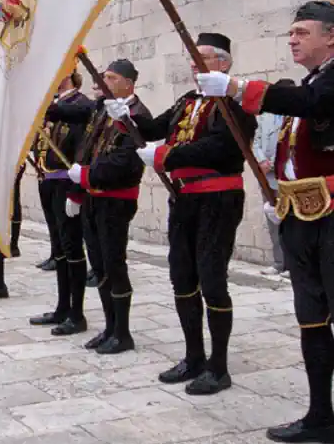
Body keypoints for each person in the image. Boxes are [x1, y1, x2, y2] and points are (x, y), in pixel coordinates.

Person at [197, 1, 334, 444]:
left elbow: (313, 104)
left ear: (333, 36)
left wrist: (239, 86)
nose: (292, 39)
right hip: (302, 215)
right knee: (311, 320)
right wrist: (281, 190)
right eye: (290, 32)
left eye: (302, 31)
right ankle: (320, 417)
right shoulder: (310, 82)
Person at [109, 33, 256, 395]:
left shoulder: (234, 104)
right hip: (184, 198)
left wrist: (166, 157)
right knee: (182, 276)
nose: (194, 64)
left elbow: (221, 148)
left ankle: (218, 367)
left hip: (217, 198)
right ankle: (193, 356)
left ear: (223, 64)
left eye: (201, 58)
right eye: (192, 59)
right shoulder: (187, 101)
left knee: (212, 278)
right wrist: (127, 117)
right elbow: (155, 129)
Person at [56, 59, 149, 355]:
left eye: (109, 78)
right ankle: (109, 327)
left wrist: (84, 176)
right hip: (93, 196)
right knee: (98, 266)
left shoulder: (137, 114)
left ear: (128, 84)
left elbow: (125, 162)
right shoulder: (100, 109)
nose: (101, 83)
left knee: (114, 264)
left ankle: (122, 332)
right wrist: (77, 190)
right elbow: (87, 147)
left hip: (116, 200)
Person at [28, 68, 93, 336]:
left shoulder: (82, 105)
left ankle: (76, 314)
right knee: (59, 248)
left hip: (68, 181)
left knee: (71, 247)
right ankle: (62, 307)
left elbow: (84, 148)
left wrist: (76, 190)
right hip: (49, 180)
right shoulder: (55, 105)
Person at [253, 109, 287, 274]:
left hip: (286, 176)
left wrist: (273, 162)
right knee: (273, 220)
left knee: (290, 220)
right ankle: (279, 262)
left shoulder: (294, 116)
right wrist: (261, 160)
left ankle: (292, 264)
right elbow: (255, 141)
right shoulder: (264, 117)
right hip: (267, 177)